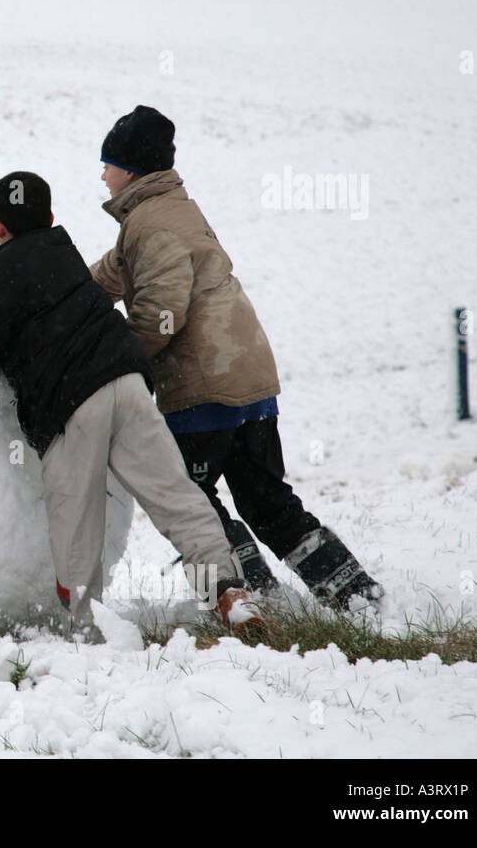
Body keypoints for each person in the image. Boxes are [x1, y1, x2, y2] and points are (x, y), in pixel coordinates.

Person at [89, 105, 383, 611]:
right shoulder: (173, 210)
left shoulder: (148, 224)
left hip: (203, 389)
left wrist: (121, 358)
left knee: (188, 502)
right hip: (249, 379)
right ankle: (354, 594)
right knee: (267, 502)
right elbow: (116, 271)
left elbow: (163, 309)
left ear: (130, 171)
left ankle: (249, 597)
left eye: (108, 164)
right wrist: (65, 293)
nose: (102, 175)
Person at [0, 171, 262, 638]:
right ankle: (227, 590)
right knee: (175, 496)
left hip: (70, 402)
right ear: (51, 217)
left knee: (77, 525)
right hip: (128, 379)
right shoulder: (67, 254)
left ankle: (81, 626)